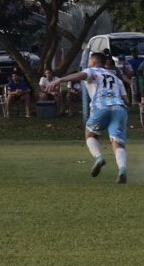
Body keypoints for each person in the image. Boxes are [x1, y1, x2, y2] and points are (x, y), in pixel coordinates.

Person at [46, 51, 130, 183]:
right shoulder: (117, 79)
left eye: (89, 61)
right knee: (118, 144)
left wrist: (61, 79)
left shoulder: (92, 71)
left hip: (101, 107)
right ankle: (122, 169)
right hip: (119, 109)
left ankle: (99, 157)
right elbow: (127, 101)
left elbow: (82, 75)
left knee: (90, 135)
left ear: (93, 62)